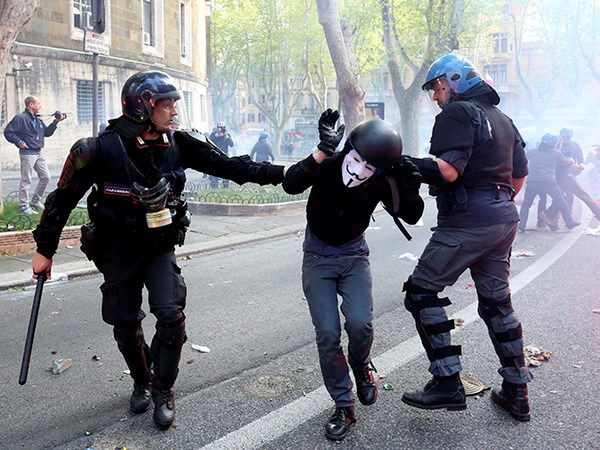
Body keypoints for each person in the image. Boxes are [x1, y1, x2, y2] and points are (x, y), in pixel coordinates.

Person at [30, 70, 285, 429]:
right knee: (124, 321)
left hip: (159, 247)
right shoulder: (96, 150)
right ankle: (142, 381)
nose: (174, 111)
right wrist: (45, 250)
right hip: (117, 250)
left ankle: (164, 388)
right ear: (141, 108)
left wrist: (292, 173)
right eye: (166, 104)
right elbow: (61, 199)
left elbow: (233, 168)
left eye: (174, 104)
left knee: (170, 314)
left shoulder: (179, 143)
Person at [402, 54, 532, 422]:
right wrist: (493, 204)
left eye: (435, 88)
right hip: (503, 219)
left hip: (466, 223)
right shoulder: (504, 120)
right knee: (496, 303)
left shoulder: (458, 113)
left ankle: (446, 383)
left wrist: (402, 163)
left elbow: (447, 171)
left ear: (452, 81)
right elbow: (518, 180)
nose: (435, 98)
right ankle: (517, 391)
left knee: (421, 292)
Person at [283, 110, 424, 441]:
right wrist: (321, 149)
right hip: (317, 256)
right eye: (357, 160)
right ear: (348, 149)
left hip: (353, 256)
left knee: (361, 324)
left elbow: (413, 215)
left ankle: (361, 365)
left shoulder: (380, 182)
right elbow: (291, 183)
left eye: (369, 167)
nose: (358, 171)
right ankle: (344, 404)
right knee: (328, 333)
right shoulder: (330, 165)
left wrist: (410, 187)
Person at [3, 96, 66, 214]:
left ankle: (35, 201)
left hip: (39, 152)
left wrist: (56, 121)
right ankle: (24, 207)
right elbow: (8, 132)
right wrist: (19, 142)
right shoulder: (20, 118)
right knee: (26, 180)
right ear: (30, 104)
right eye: (38, 103)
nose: (40, 106)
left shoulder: (38, 119)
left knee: (46, 177)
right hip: (27, 153)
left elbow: (47, 133)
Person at [518, 133, 579, 232]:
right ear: (554, 143)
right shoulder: (556, 153)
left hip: (532, 182)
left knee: (526, 204)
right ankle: (570, 223)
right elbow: (566, 163)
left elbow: (522, 159)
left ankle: (522, 225)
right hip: (548, 183)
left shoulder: (533, 151)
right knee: (561, 201)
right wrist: (572, 162)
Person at [545, 128, 600, 224]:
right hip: (568, 175)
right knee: (580, 195)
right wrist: (576, 169)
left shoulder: (555, 147)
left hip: (558, 176)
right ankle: (597, 213)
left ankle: (551, 217)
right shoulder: (572, 146)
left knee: (559, 198)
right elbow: (578, 161)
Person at [209, 122, 235, 188]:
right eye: (220, 128)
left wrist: (226, 137)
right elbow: (209, 141)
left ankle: (225, 186)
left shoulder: (226, 135)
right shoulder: (213, 135)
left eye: (223, 128)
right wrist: (217, 135)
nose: (222, 130)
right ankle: (214, 186)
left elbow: (231, 144)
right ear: (217, 128)